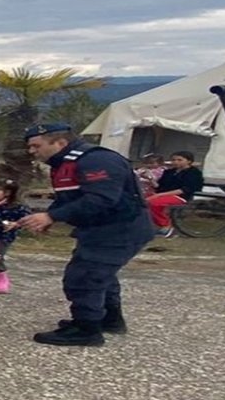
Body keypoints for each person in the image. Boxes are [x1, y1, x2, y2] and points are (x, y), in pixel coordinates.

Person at [15, 123, 155, 347]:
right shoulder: (63, 164)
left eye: (36, 145)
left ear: (60, 142)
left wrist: (51, 217)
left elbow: (101, 199)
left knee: (84, 276)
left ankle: (86, 329)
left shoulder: (96, 160)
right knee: (101, 274)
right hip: (99, 228)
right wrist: (52, 216)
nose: (32, 151)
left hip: (120, 228)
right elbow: (70, 197)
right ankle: (109, 320)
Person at [146, 151, 205, 237]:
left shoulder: (194, 173)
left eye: (179, 160)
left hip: (180, 196)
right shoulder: (169, 172)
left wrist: (159, 195)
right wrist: (151, 180)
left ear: (189, 161)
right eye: (174, 160)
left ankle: (166, 226)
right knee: (139, 199)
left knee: (153, 203)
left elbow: (185, 189)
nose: (176, 162)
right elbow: (159, 186)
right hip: (163, 194)